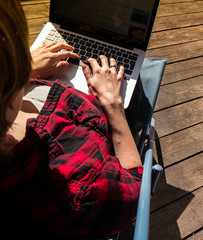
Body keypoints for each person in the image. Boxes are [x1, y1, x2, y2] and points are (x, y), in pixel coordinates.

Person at [0, 0, 143, 238]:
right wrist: (113, 104)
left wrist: (24, 73)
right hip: (106, 119)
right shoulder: (77, 183)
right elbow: (133, 189)